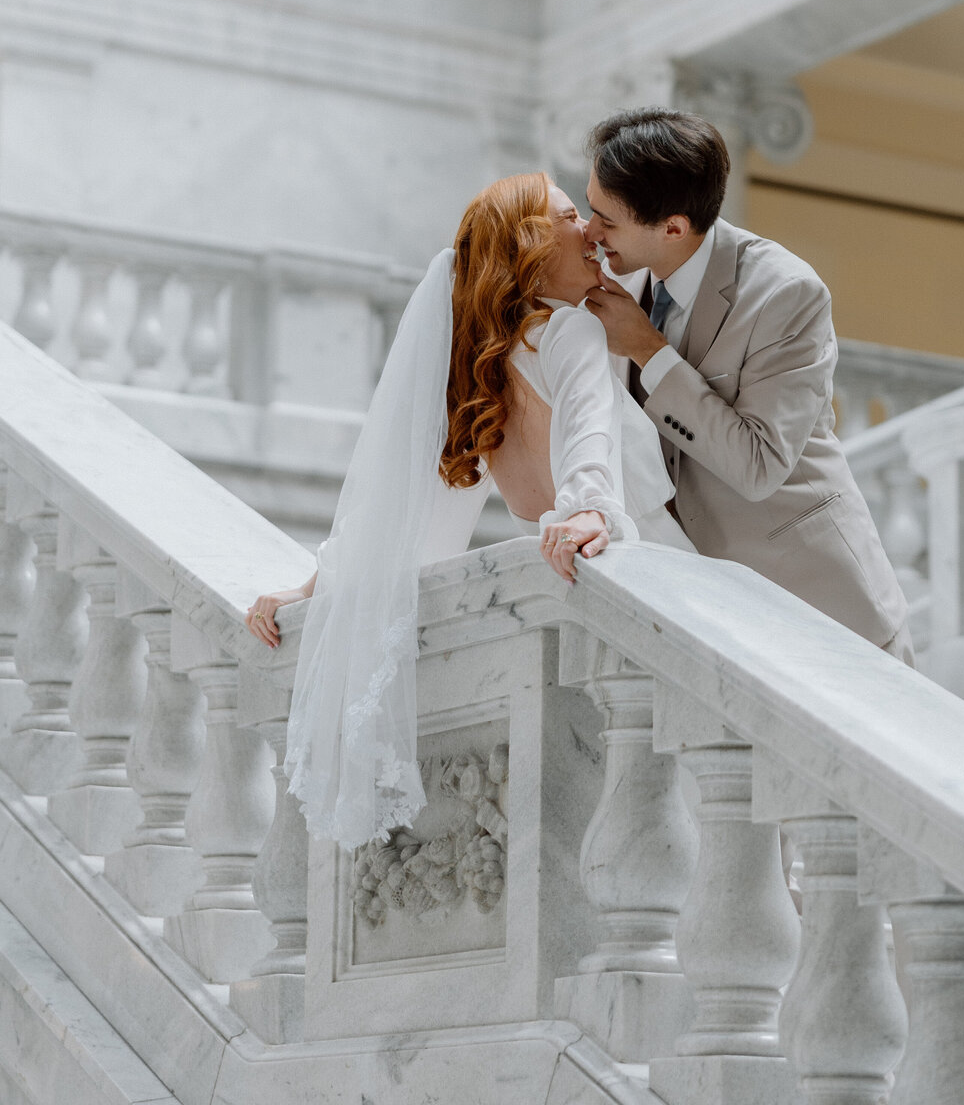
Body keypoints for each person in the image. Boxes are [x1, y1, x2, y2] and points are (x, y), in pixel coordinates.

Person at [245, 172, 691, 850]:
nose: (592, 233)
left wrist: (312, 588)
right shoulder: (568, 331)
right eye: (572, 216)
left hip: (602, 600)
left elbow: (411, 527)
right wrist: (592, 509)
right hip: (652, 586)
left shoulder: (476, 379)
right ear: (532, 245)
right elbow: (589, 434)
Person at [582, 108, 912, 663]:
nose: (590, 233)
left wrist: (647, 350)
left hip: (820, 606)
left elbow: (759, 465)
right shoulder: (618, 273)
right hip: (710, 613)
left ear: (673, 227)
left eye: (606, 221)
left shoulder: (786, 294)